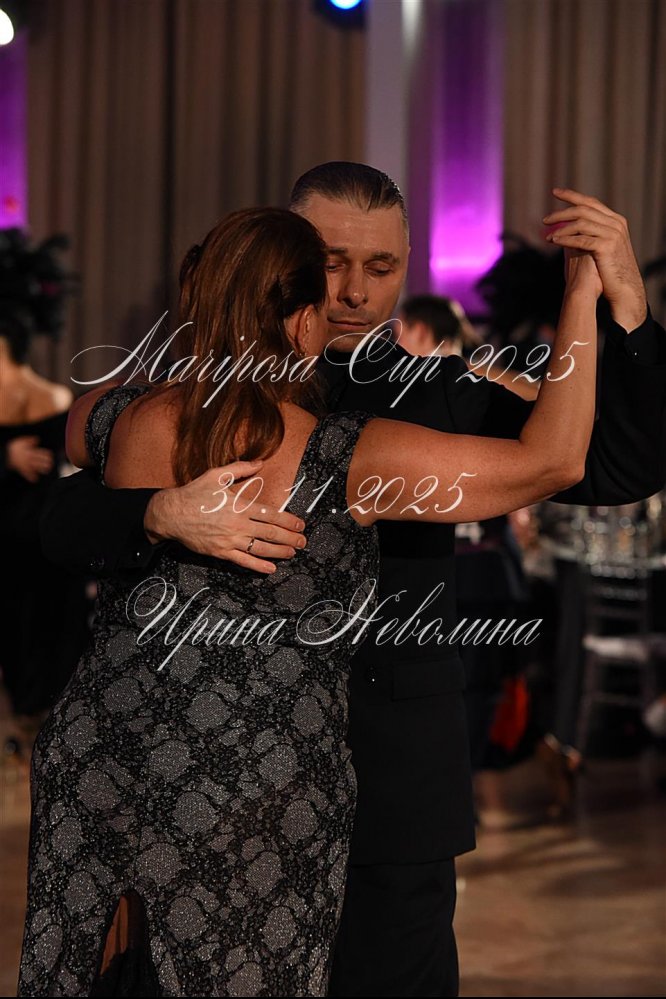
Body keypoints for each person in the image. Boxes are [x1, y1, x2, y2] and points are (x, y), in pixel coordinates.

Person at [36, 164, 666, 997]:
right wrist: (154, 514)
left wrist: (628, 306)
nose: (355, 292)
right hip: (192, 788)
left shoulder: (437, 392)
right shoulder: (181, 399)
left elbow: (615, 462)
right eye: (332, 263)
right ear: (291, 260)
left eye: (382, 267)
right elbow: (57, 516)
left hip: (388, 789)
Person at [0, 229, 90, 764]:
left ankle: (40, 731)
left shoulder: (56, 398)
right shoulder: (50, 397)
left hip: (43, 549)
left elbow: (70, 472)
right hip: (16, 551)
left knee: (50, 636)